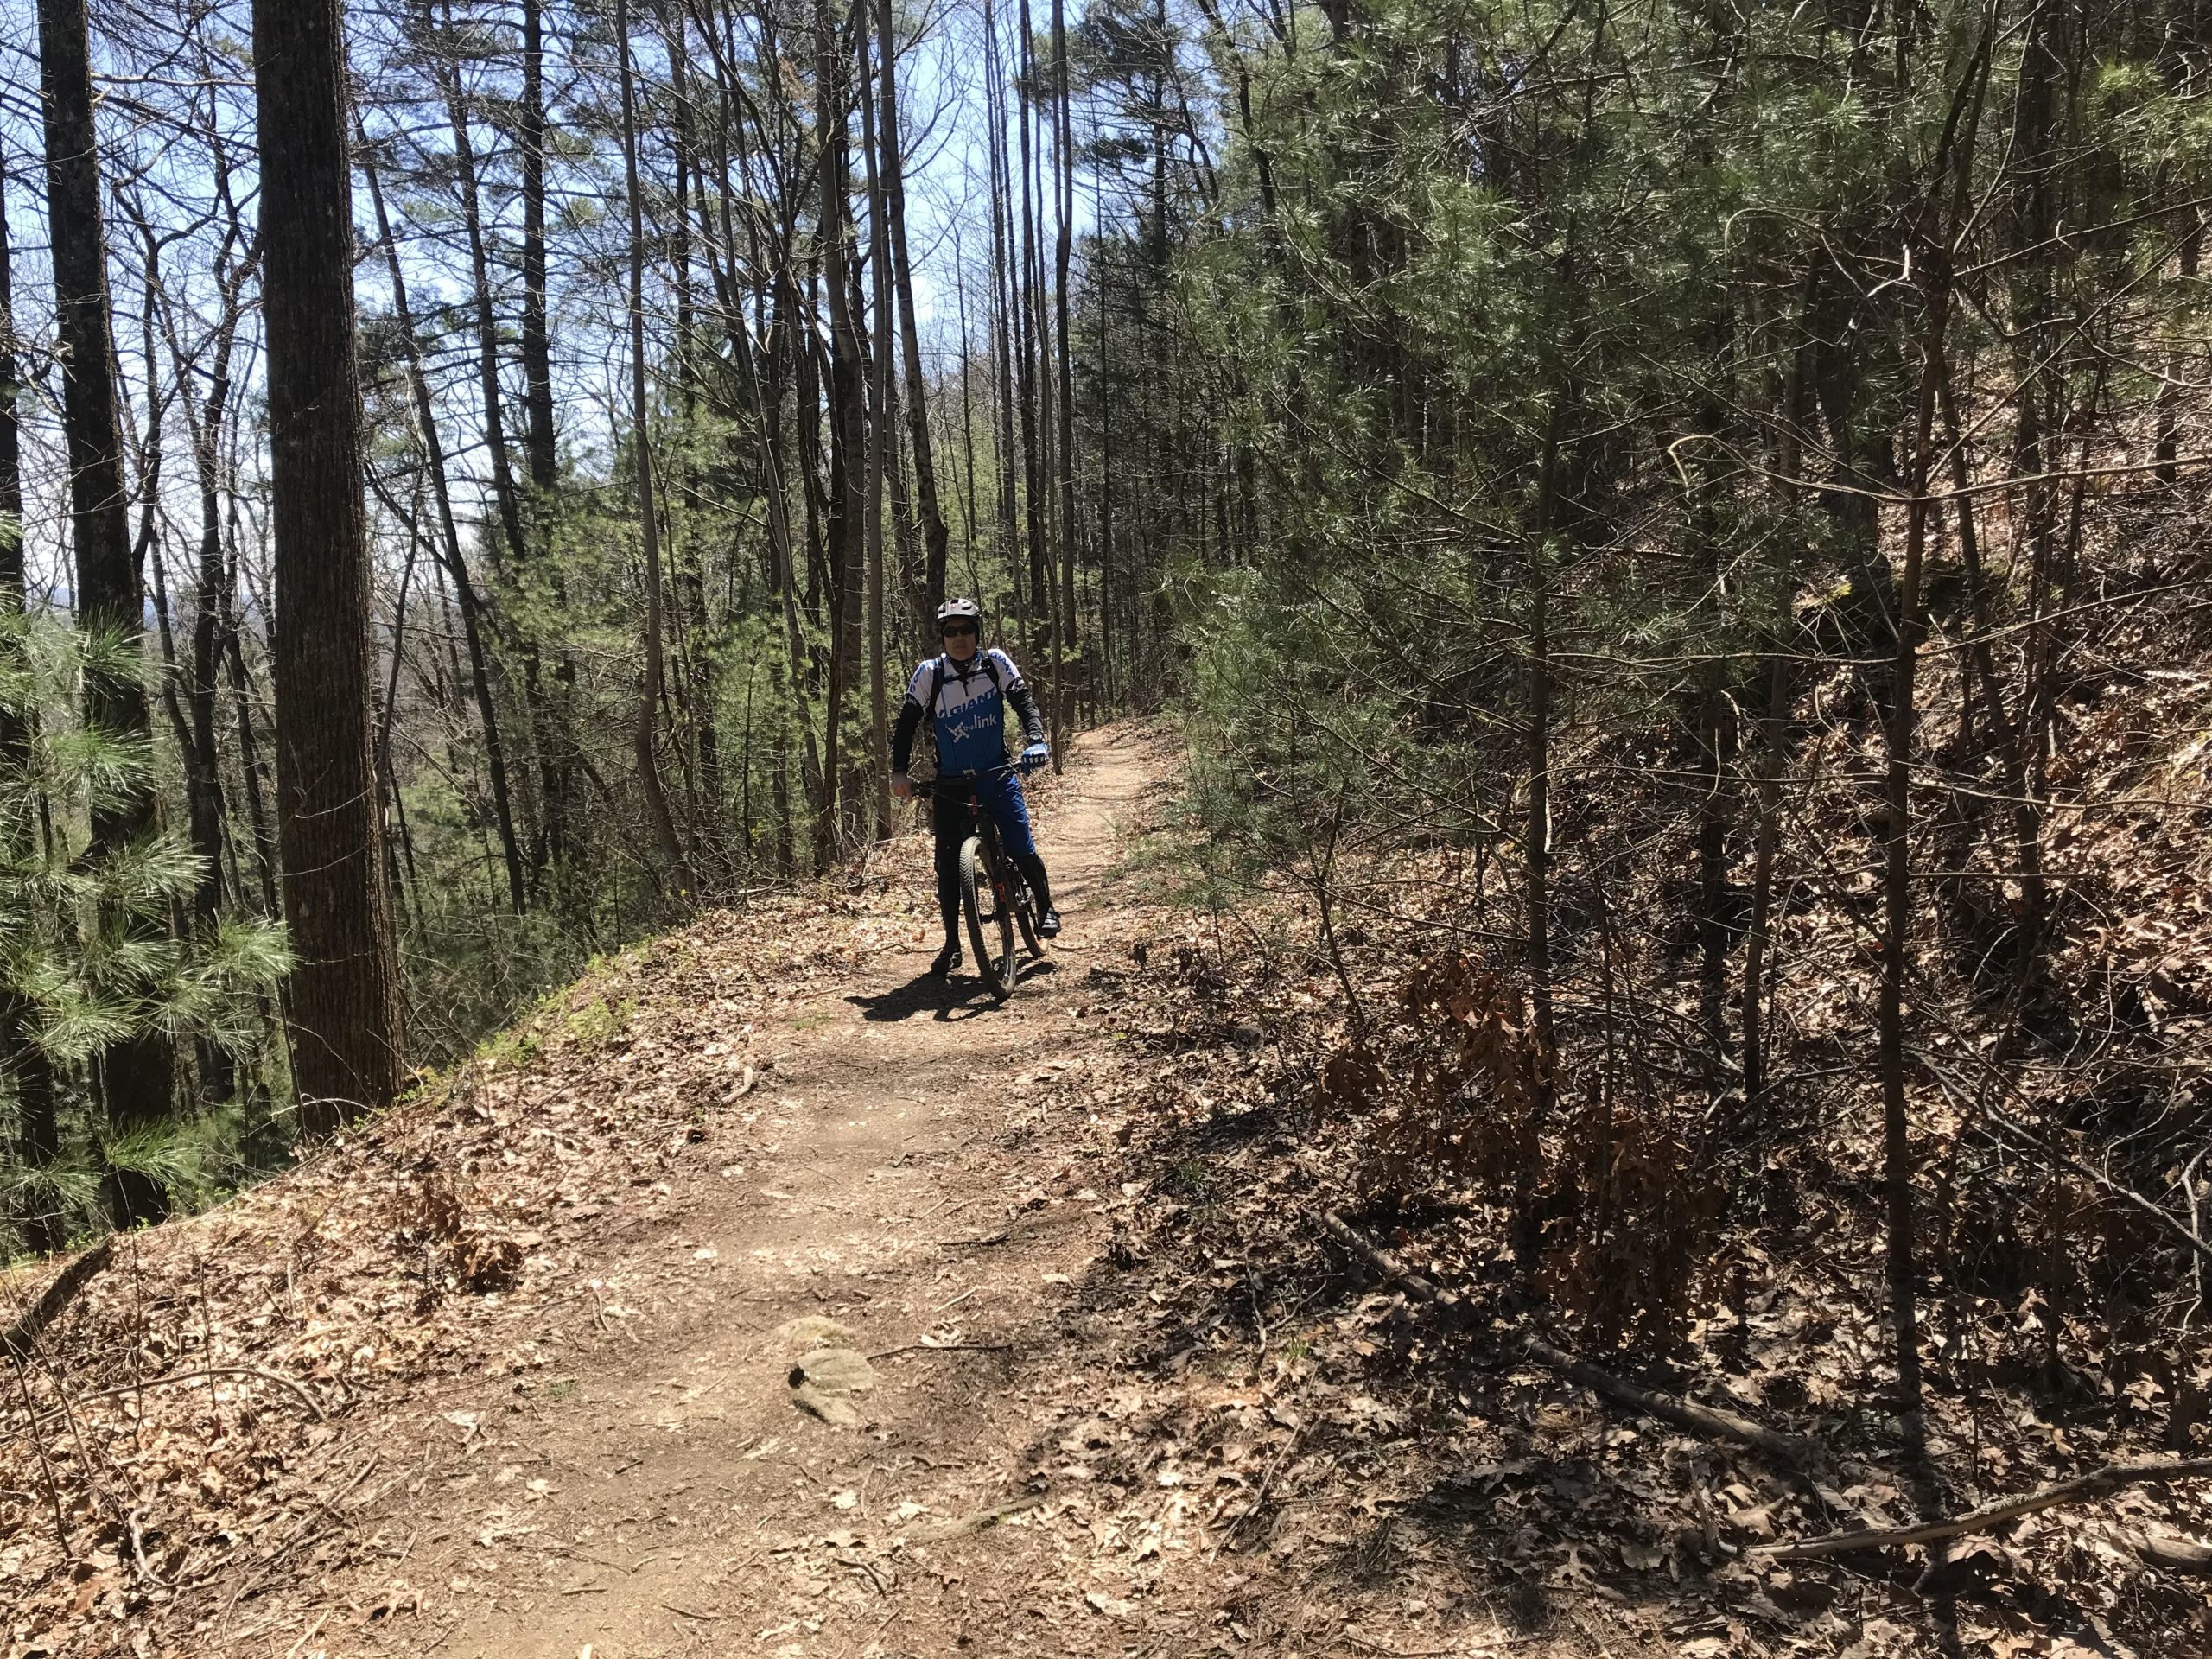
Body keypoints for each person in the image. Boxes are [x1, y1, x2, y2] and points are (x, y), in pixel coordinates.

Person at [891, 598, 1060, 976]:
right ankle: (952, 943)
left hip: (996, 774)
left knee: (1020, 844)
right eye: (951, 632)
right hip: (950, 784)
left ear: (977, 633)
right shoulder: (929, 674)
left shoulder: (994, 662)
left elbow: (1024, 703)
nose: (959, 638)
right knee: (948, 867)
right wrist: (899, 771)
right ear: (942, 637)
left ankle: (1046, 908)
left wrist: (1035, 739)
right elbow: (905, 724)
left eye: (966, 630)